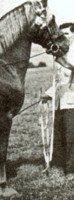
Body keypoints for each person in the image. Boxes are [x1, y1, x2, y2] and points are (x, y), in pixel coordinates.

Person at [42, 22, 74, 174]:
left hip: (72, 101)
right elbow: (58, 81)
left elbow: (70, 67)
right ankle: (61, 165)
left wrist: (59, 57)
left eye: (66, 35)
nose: (64, 38)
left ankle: (71, 169)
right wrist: (48, 94)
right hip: (60, 102)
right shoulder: (60, 55)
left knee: (70, 136)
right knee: (60, 134)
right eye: (62, 35)